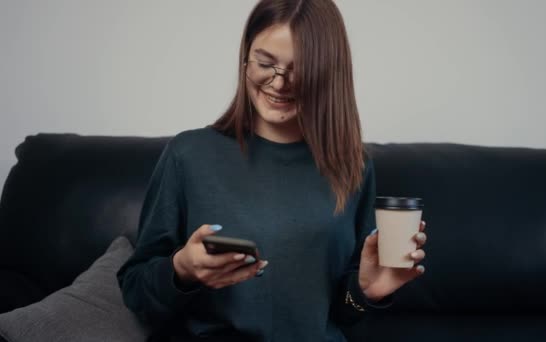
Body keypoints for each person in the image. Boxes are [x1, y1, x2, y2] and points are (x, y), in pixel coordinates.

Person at [117, 0, 428, 341]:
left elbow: (344, 314)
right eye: (265, 63)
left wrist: (367, 291)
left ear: (327, 75)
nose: (279, 84)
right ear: (245, 58)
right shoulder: (188, 155)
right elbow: (136, 293)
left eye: (300, 70)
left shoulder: (353, 166)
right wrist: (182, 270)